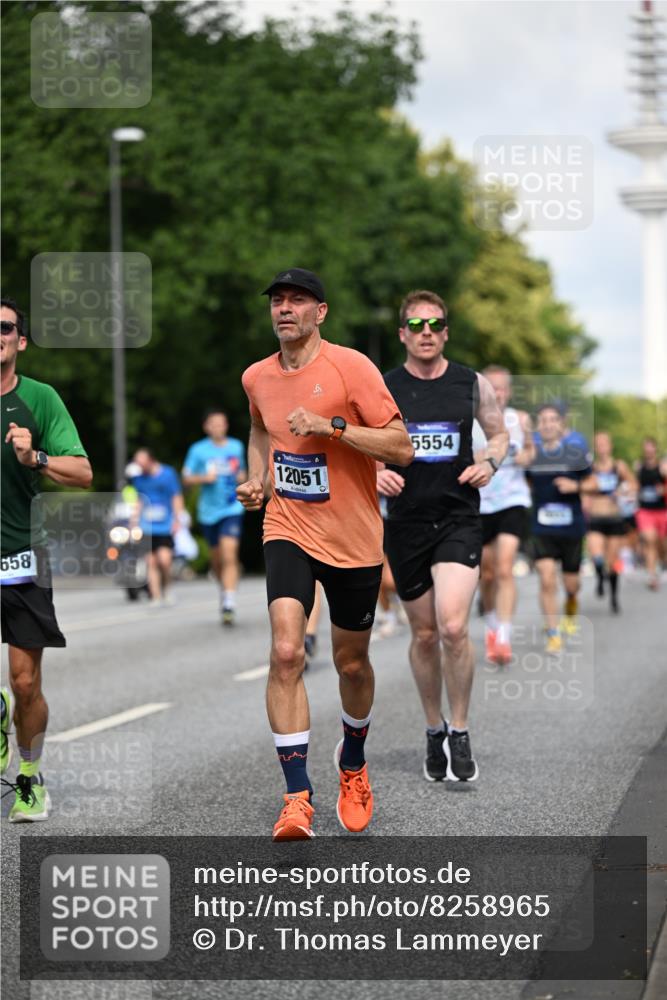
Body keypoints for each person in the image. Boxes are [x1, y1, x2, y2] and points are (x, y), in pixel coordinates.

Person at [237, 268, 413, 840]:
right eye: (277, 301)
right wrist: (258, 477)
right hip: (287, 523)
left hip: (354, 537)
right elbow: (260, 430)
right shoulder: (255, 376)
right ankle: (296, 797)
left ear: (321, 312)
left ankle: (353, 760)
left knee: (352, 664)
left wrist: (332, 427)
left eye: (297, 301)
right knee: (287, 651)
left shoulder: (351, 367)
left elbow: (401, 446)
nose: (285, 309)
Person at [378, 290, 508, 784]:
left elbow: (497, 433)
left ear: (446, 331)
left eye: (435, 323)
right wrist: (372, 473)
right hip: (406, 523)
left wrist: (490, 461)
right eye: (416, 324)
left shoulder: (470, 383)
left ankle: (460, 727)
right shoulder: (383, 387)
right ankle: (432, 728)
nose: (426, 332)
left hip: (457, 518)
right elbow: (357, 445)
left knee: (453, 627)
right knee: (425, 633)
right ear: (403, 334)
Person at [1, 297, 92, 821]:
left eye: (5, 327)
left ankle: (30, 777)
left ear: (20, 340)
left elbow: (82, 473)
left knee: (25, 683)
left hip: (20, 555)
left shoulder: (40, 398)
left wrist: (34, 456)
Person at [474, 366, 534, 665]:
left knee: (504, 568)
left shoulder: (520, 419)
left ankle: (504, 638)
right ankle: (492, 625)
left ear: (508, 391)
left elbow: (531, 453)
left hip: (512, 500)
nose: (497, 393)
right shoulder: (472, 422)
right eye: (491, 388)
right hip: (481, 503)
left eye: (501, 388)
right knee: (486, 573)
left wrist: (520, 454)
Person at [526, 405, 597, 653]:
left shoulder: (575, 453)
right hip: (542, 527)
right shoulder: (532, 455)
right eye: (542, 420)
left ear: (561, 425)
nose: (547, 424)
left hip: (571, 528)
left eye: (552, 420)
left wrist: (575, 486)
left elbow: (593, 482)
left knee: (571, 585)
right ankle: (553, 633)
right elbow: (525, 480)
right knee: (546, 579)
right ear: (539, 426)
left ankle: (571, 605)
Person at [183, 409, 247, 625]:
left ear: (226, 425)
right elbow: (186, 478)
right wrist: (204, 478)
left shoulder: (236, 446)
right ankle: (225, 590)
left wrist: (241, 476)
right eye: (214, 424)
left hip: (232, 508)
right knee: (217, 560)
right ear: (207, 427)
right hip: (208, 512)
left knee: (230, 555)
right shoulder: (198, 450)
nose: (218, 427)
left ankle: (229, 602)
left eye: (222, 423)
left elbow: (243, 473)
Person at [586, 431, 637, 613]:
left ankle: (614, 598)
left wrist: (623, 491)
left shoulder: (619, 466)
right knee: (596, 556)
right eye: (597, 443)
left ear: (610, 445)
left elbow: (633, 484)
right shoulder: (590, 467)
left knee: (613, 560)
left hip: (614, 518)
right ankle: (600, 576)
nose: (601, 447)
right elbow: (583, 487)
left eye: (604, 443)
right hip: (596, 517)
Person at [131, 448, 184, 606]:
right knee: (151, 562)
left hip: (165, 525)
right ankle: (155, 596)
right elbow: (138, 500)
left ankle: (167, 588)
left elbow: (176, 496)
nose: (139, 466)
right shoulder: (138, 479)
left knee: (165, 560)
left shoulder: (168, 474)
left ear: (150, 460)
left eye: (141, 462)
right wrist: (134, 520)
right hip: (147, 526)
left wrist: (178, 518)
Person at [635, 436, 667, 591]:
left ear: (655, 449)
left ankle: (663, 562)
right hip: (645, 510)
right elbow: (635, 486)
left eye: (650, 447)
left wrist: (663, 490)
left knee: (660, 542)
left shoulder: (663, 467)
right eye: (645, 447)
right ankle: (651, 575)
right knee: (649, 540)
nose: (648, 450)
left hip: (661, 510)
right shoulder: (639, 467)